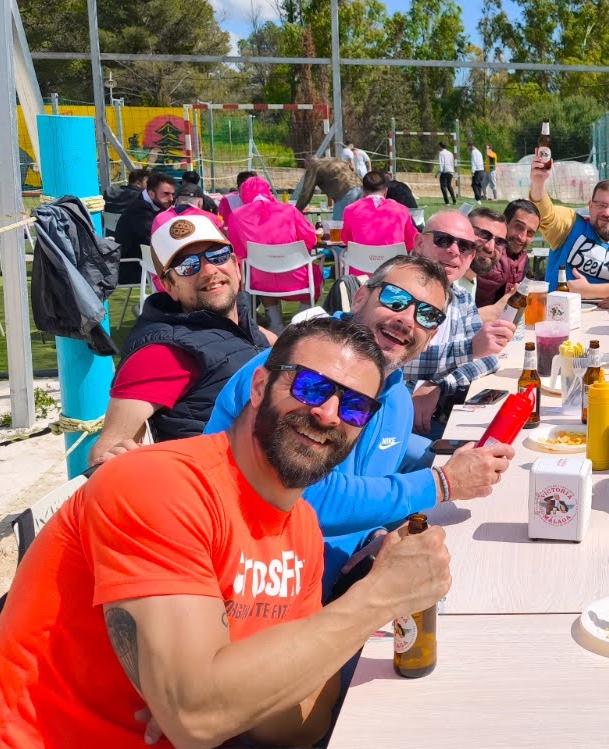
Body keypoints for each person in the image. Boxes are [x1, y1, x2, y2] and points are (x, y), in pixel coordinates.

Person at [0, 317, 454, 749]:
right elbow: (195, 718)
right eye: (311, 387)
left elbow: (295, 726)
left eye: (353, 409)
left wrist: (229, 685)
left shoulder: (298, 533)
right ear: (259, 384)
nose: (326, 415)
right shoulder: (161, 484)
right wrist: (376, 599)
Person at [206, 254, 512, 593]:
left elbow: (365, 486)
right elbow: (300, 497)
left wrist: (376, 537)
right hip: (254, 596)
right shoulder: (296, 373)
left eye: (426, 315)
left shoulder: (395, 397)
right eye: (395, 299)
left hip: (338, 583)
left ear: (432, 334)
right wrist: (441, 482)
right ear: (360, 297)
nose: (407, 320)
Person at [89, 213, 271, 463]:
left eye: (216, 255)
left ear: (235, 266)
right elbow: (105, 449)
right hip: (221, 487)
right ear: (170, 287)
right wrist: (123, 462)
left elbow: (269, 343)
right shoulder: (164, 351)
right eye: (188, 265)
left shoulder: (240, 322)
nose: (208, 270)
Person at [403, 210, 517, 433]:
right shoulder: (398, 292)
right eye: (442, 240)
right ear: (419, 243)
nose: (454, 251)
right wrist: (471, 349)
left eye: (465, 246)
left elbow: (487, 360)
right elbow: (393, 360)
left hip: (440, 412)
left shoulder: (460, 297)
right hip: (389, 418)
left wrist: (437, 386)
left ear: (470, 258)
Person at [530, 159, 609, 295]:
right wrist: (538, 183)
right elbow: (544, 214)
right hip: (558, 313)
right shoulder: (570, 226)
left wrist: (588, 291)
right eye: (601, 205)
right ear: (590, 206)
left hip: (605, 316)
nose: (606, 213)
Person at [226, 175, 322, 332]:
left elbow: (238, 251)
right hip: (297, 278)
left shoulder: (236, 215)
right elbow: (309, 238)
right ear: (268, 191)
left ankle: (276, 322)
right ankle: (301, 320)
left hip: (260, 281)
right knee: (314, 271)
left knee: (263, 268)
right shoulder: (289, 210)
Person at [340, 170, 417, 275]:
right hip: (393, 272)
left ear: (363, 191)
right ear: (385, 191)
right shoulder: (401, 209)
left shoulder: (350, 210)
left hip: (359, 272)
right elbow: (411, 241)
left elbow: (346, 239)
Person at [113, 171, 177, 286]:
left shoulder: (153, 205)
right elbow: (153, 240)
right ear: (151, 194)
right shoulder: (139, 211)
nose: (171, 198)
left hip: (145, 264)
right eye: (166, 194)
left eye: (172, 194)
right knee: (183, 273)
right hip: (133, 268)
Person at [473, 198, 538, 308]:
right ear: (505, 222)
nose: (522, 238)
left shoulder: (523, 259)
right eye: (518, 226)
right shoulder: (483, 251)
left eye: (530, 233)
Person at [436, 140, 457, 205]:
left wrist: (438, 172)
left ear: (440, 146)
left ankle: (447, 202)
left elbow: (441, 164)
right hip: (450, 171)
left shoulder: (441, 153)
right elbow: (452, 162)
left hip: (445, 172)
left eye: (438, 146)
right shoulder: (450, 153)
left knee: (443, 187)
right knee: (449, 186)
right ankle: (454, 201)